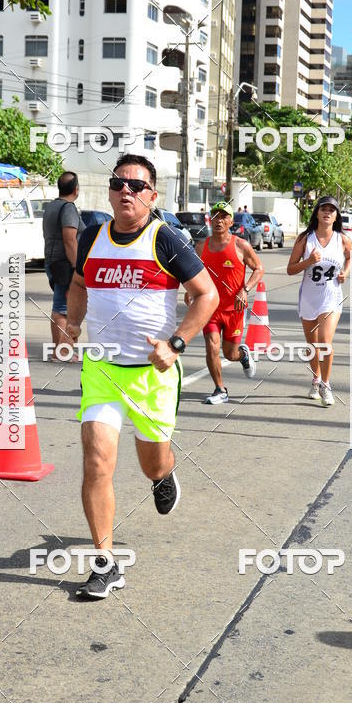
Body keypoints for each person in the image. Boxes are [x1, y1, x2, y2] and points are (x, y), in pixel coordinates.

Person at [65, 154, 218, 598]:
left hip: (153, 376)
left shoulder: (165, 239)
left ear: (152, 195)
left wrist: (176, 344)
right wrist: (72, 323)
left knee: (152, 461)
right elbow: (79, 284)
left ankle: (163, 475)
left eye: (136, 186)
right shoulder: (92, 236)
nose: (126, 192)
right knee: (97, 462)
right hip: (102, 371)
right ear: (110, 191)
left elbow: (206, 294)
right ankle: (105, 563)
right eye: (119, 184)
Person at [189, 200, 264, 404]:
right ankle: (220, 389)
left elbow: (259, 269)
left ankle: (243, 355)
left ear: (231, 222)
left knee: (230, 354)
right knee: (211, 346)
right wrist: (191, 291)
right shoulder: (201, 246)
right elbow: (194, 272)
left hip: (234, 309)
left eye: (223, 216)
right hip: (210, 307)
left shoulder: (241, 245)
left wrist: (245, 290)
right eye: (215, 216)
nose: (219, 220)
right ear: (210, 220)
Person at [286, 196, 351, 407]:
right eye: (323, 209)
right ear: (317, 213)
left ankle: (325, 384)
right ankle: (315, 379)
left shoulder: (342, 240)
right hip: (309, 298)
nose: (327, 212)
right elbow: (290, 269)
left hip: (331, 298)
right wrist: (308, 261)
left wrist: (345, 272)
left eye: (332, 210)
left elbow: (350, 257)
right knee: (312, 345)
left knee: (324, 342)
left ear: (336, 216)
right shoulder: (305, 239)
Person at [43, 172, 85, 361]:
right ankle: (62, 352)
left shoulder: (52, 206)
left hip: (54, 261)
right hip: (66, 264)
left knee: (62, 305)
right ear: (76, 189)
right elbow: (70, 240)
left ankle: (60, 350)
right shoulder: (68, 208)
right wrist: (77, 267)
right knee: (63, 307)